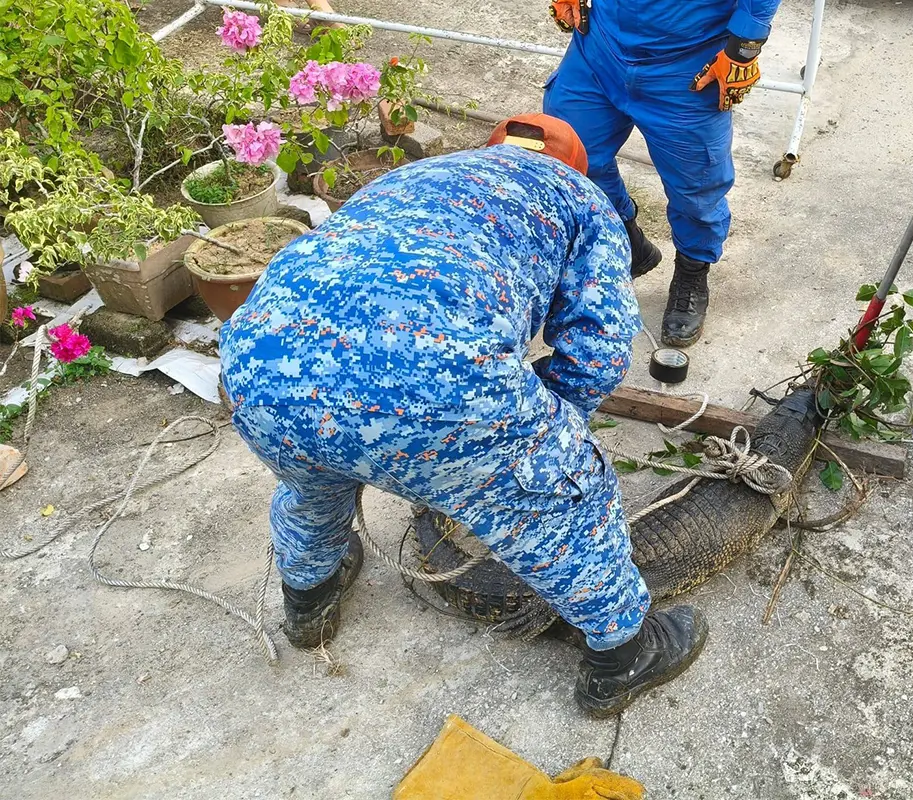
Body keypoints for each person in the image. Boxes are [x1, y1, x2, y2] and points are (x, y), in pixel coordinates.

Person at [219, 113, 706, 718]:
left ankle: (308, 599)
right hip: (430, 375)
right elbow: (599, 350)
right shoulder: (579, 195)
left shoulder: (414, 176)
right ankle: (623, 656)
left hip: (259, 361)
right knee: (563, 501)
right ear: (574, 166)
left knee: (313, 478)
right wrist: (529, 448)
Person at [541, 0, 782, 347]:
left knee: (696, 190)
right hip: (600, 48)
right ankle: (628, 244)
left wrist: (744, 47)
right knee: (571, 155)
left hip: (688, 65)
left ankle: (691, 274)